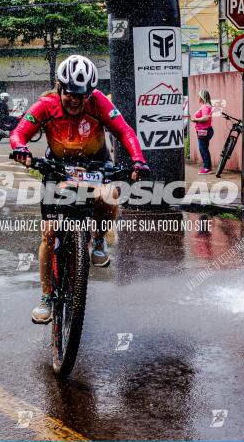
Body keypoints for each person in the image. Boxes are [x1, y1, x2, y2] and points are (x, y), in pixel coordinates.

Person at [10, 55, 149, 324]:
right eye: (71, 94)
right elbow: (19, 132)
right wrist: (20, 149)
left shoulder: (99, 102)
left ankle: (98, 238)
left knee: (110, 196)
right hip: (58, 165)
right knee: (49, 234)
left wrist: (138, 160)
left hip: (96, 163)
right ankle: (46, 296)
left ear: (90, 93)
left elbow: (125, 132)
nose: (76, 100)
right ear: (60, 87)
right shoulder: (46, 105)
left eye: (82, 95)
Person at [190, 89, 214, 174]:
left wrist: (195, 119)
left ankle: (207, 168)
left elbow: (205, 118)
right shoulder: (206, 106)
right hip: (204, 130)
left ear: (202, 97)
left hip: (204, 130)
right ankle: (207, 167)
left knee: (203, 149)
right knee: (204, 148)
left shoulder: (206, 107)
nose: (198, 97)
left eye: (199, 96)